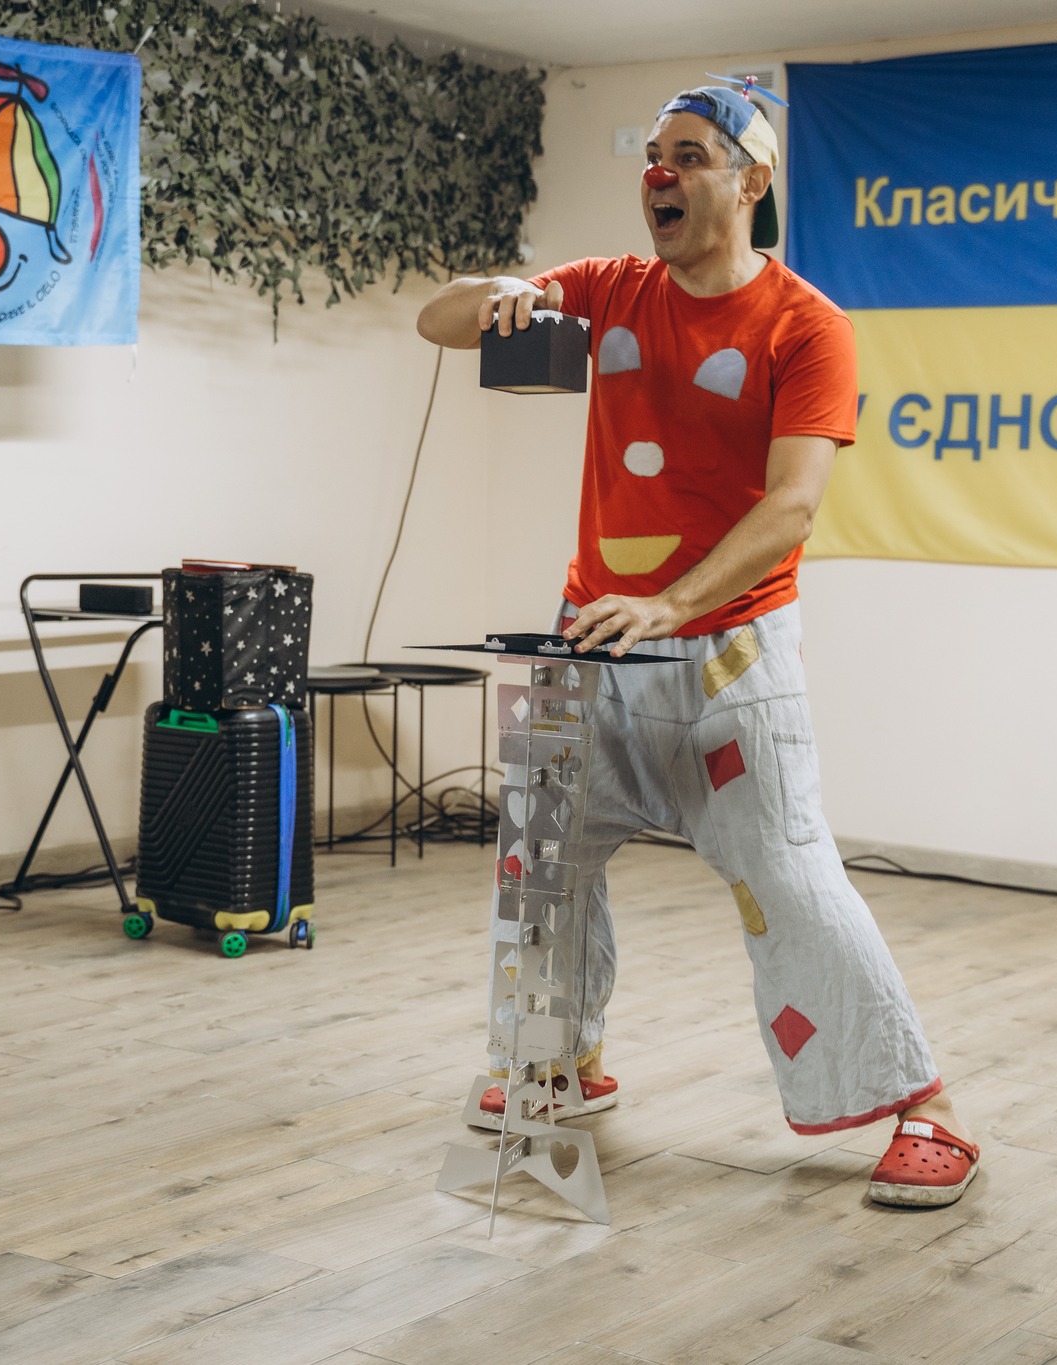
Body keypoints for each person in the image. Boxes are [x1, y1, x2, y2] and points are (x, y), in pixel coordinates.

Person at [416, 85, 977, 1206]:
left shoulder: (807, 326)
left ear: (751, 181)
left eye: (687, 156)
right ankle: (555, 1061)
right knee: (540, 865)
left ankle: (927, 1109)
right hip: (590, 643)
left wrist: (670, 604)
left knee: (788, 877)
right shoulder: (608, 291)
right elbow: (439, 322)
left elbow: (791, 505)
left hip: (730, 657)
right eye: (651, 157)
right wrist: (503, 295)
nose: (657, 176)